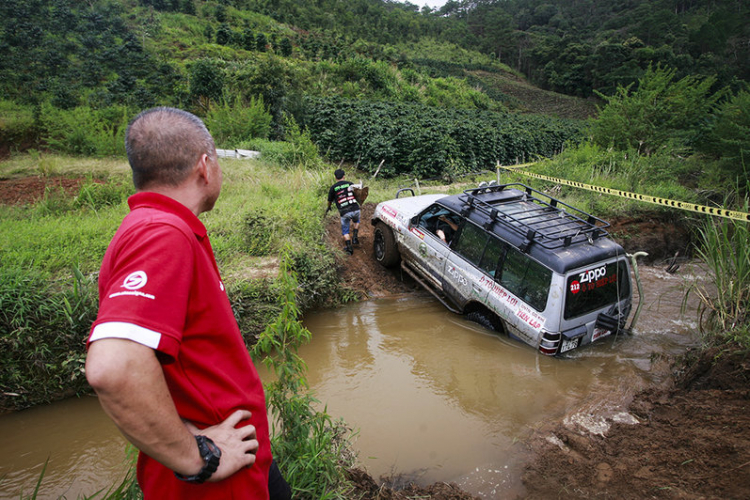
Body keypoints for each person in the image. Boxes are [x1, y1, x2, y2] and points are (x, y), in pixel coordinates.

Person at [85, 107, 290, 500]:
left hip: (241, 459)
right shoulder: (162, 234)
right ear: (204, 166)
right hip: (217, 483)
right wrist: (200, 457)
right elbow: (114, 368)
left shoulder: (154, 226)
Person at [326, 168, 360, 255]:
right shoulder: (350, 184)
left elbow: (329, 200)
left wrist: (329, 207)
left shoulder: (333, 188)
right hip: (356, 208)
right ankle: (355, 237)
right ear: (344, 176)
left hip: (344, 212)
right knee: (356, 221)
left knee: (345, 231)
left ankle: (349, 249)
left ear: (335, 177)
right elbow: (358, 194)